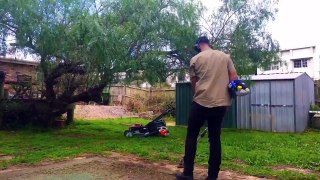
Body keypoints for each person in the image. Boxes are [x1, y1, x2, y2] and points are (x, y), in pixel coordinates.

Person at [176, 36, 238, 180]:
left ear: (198, 45)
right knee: (215, 139)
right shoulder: (225, 57)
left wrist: (197, 95)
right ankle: (212, 177)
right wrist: (228, 99)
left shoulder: (195, 59)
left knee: (191, 136)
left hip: (200, 102)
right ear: (209, 44)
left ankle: (188, 173)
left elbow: (194, 83)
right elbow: (234, 79)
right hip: (220, 104)